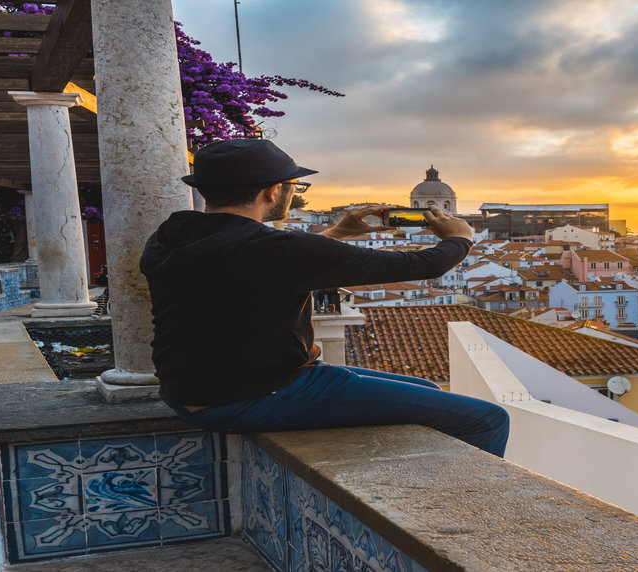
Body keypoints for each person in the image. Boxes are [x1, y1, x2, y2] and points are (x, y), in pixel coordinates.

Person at [141, 139, 508, 457]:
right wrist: (460, 236)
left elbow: (258, 265)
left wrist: (335, 232)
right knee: (487, 419)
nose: (294, 193)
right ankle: (472, 512)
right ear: (272, 191)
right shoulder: (280, 249)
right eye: (293, 186)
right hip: (256, 394)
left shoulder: (170, 236)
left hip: (190, 392)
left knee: (425, 390)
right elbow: (427, 264)